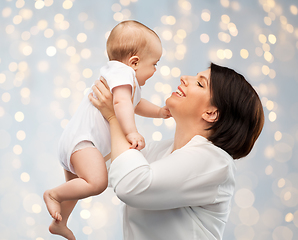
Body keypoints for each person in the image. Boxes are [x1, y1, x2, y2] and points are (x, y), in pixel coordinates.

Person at [89, 63, 264, 240]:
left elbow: (130, 185)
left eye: (200, 83)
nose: (185, 78)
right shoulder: (164, 150)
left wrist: (114, 115)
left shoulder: (216, 160)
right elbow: (100, 168)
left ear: (211, 113)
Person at [43, 20, 170, 240]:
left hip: (74, 140)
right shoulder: (123, 74)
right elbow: (121, 105)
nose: (155, 70)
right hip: (83, 143)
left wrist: (159, 112)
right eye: (154, 64)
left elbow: (135, 104)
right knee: (97, 182)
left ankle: (59, 223)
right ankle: (52, 194)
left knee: (75, 188)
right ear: (135, 62)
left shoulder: (120, 77)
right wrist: (131, 132)